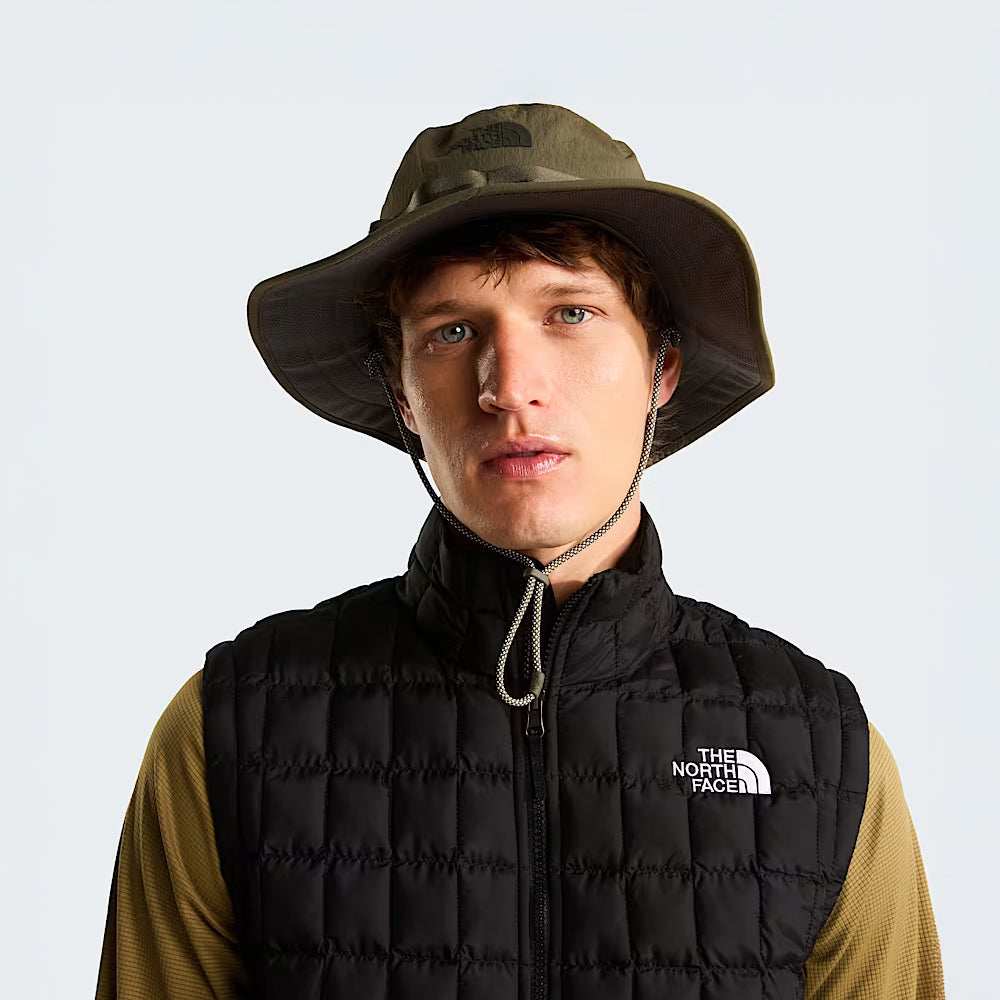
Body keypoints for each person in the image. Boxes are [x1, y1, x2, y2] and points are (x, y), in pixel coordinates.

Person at [95, 103, 945, 1000]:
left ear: (661, 368)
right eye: (452, 331)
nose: (509, 387)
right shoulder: (229, 731)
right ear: (403, 394)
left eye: (570, 313)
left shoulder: (819, 749)